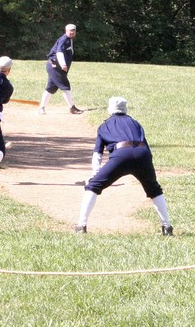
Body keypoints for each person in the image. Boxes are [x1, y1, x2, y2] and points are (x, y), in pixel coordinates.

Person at [74, 97, 173, 235]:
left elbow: (97, 153)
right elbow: (146, 147)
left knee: (93, 186)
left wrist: (95, 173)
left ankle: (81, 225)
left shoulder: (105, 125)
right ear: (125, 109)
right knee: (154, 189)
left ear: (110, 110)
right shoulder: (135, 123)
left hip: (121, 155)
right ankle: (167, 227)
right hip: (143, 155)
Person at [38, 24, 83, 115]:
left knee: (50, 88)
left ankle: (41, 108)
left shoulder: (69, 40)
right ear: (65, 31)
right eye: (70, 30)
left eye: (73, 30)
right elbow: (59, 52)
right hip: (55, 66)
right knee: (65, 86)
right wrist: (63, 64)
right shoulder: (64, 40)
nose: (72, 32)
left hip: (55, 67)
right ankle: (72, 108)